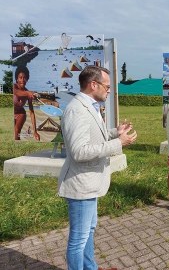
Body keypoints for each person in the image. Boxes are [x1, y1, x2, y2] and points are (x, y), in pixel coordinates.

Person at [58, 65, 137, 270]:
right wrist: (118, 143)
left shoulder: (89, 105)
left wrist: (114, 132)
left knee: (88, 230)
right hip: (81, 185)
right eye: (107, 86)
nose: (109, 90)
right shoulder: (78, 110)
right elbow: (79, 151)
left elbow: (93, 136)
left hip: (90, 183)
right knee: (79, 239)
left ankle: (90, 267)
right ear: (93, 84)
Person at [13, 65, 40, 141]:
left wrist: (35, 132)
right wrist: (28, 93)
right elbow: (17, 93)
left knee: (16, 131)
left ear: (27, 79)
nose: (22, 80)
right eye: (20, 77)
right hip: (11, 112)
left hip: (20, 113)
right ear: (17, 79)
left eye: (25, 78)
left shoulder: (28, 93)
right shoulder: (14, 87)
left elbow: (31, 112)